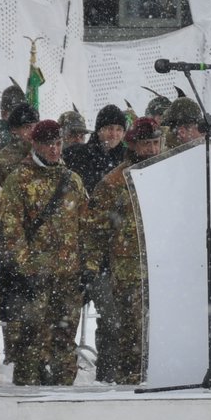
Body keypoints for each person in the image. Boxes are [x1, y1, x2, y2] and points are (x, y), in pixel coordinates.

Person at [0, 120, 88, 386]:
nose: (55, 150)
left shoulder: (72, 180)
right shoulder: (19, 180)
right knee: (31, 343)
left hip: (68, 277)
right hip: (34, 278)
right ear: (35, 145)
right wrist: (25, 270)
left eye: (58, 144)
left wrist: (87, 267)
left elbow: (85, 226)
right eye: (49, 144)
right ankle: (27, 398)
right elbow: (10, 232)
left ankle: (63, 398)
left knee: (65, 340)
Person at [82, 117, 164, 384]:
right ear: (134, 145)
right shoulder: (115, 182)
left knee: (160, 332)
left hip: (164, 266)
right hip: (128, 272)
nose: (152, 149)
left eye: (155, 143)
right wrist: (92, 270)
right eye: (146, 144)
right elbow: (94, 230)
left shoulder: (170, 174)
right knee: (130, 332)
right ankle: (126, 381)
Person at [64, 104, 128, 192]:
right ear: (99, 131)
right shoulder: (77, 154)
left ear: (124, 133)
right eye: (110, 129)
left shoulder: (128, 156)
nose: (114, 134)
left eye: (119, 129)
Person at [0, 100, 38, 200]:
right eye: (27, 127)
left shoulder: (45, 153)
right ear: (14, 130)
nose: (33, 131)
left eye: (36, 126)